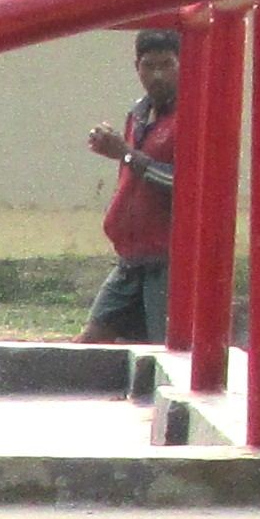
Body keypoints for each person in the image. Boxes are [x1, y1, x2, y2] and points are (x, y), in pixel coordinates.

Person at [80, 29, 182, 344]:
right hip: (130, 258)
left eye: (167, 65)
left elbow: (185, 184)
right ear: (136, 66)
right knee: (92, 342)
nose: (157, 76)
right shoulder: (139, 114)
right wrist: (115, 149)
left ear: (184, 65)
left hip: (166, 262)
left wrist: (125, 153)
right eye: (149, 66)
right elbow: (131, 172)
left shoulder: (193, 115)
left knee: (162, 352)